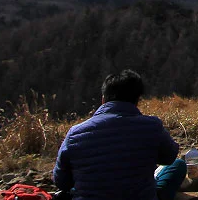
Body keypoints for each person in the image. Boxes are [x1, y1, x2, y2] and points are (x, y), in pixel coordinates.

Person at [52, 70, 185, 200]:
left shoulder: (75, 134)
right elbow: (169, 157)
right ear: (137, 100)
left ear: (103, 99)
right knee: (178, 165)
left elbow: (61, 181)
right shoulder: (152, 126)